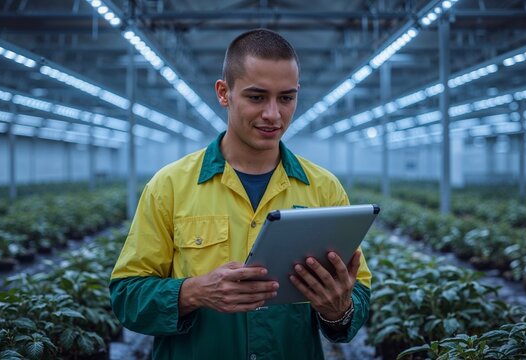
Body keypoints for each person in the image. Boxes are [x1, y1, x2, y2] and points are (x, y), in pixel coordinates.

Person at [109, 28, 372, 360]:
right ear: (224, 93)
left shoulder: (324, 189)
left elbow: (357, 296)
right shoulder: (170, 186)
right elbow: (126, 295)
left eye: (286, 98)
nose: (273, 114)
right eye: (257, 97)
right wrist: (192, 293)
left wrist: (338, 309)